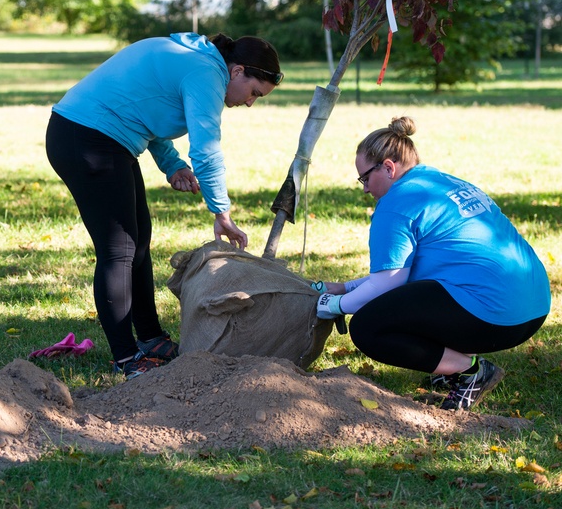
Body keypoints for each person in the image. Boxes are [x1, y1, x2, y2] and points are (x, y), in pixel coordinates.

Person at [46, 32, 283, 378]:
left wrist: (172, 165)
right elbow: (206, 150)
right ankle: (127, 358)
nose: (250, 103)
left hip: (97, 137)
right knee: (119, 252)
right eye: (254, 93)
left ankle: (151, 338)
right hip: (88, 139)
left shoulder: (196, 59)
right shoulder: (206, 73)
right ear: (237, 71)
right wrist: (222, 212)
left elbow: (147, 111)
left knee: (138, 243)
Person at [315, 117, 550, 410]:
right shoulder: (438, 180)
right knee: (406, 302)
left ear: (388, 168)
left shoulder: (396, 203)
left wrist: (335, 305)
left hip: (497, 316)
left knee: (367, 327)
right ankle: (450, 365)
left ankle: (470, 371)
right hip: (534, 307)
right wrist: (346, 287)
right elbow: (401, 273)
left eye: (364, 178)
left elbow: (387, 283)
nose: (364, 189)